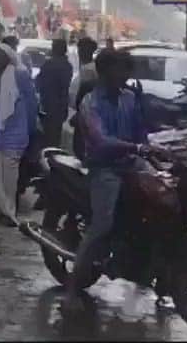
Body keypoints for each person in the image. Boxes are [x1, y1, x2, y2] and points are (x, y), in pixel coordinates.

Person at [65, 48, 158, 310]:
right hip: (104, 169)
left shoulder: (130, 97)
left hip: (131, 163)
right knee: (102, 225)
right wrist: (136, 147)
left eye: (126, 69)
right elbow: (100, 141)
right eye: (120, 69)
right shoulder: (90, 103)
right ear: (105, 72)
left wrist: (151, 147)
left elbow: (141, 132)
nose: (125, 74)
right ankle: (72, 290)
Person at [0, 43, 38, 226]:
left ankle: (11, 214)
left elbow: (31, 103)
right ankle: (3, 209)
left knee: (9, 178)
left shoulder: (20, 74)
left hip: (15, 132)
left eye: (0, 58)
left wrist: (30, 129)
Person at [37, 38, 74, 151]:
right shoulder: (68, 66)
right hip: (60, 107)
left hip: (48, 106)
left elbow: (39, 83)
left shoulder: (49, 64)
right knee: (55, 138)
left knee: (48, 138)